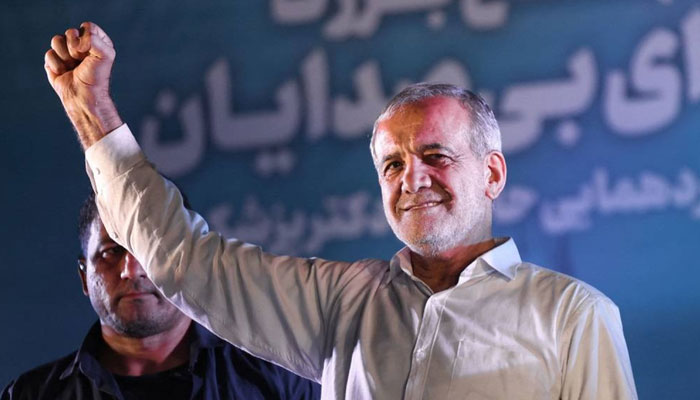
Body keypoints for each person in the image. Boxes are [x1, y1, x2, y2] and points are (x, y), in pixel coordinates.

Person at [43, 22, 638, 399]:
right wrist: (91, 110)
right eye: (393, 165)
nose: (413, 180)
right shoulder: (341, 304)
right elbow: (183, 260)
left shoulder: (572, 317)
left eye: (435, 155)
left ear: (492, 174)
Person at [1, 193, 321, 400]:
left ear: (189, 260)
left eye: (149, 249)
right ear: (85, 276)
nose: (132, 269)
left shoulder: (279, 377)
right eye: (111, 252)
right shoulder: (32, 395)